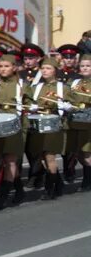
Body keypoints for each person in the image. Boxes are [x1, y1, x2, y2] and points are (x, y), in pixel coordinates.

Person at [27, 56, 73, 200]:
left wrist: (67, 106)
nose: (45, 71)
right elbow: (29, 101)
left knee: (50, 156)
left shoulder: (62, 87)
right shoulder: (36, 87)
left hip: (54, 124)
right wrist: (31, 106)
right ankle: (58, 184)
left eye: (48, 68)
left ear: (55, 71)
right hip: (39, 124)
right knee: (41, 156)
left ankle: (49, 189)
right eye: (43, 68)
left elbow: (72, 103)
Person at [0, 54, 31, 209]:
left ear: (14, 68)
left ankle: (4, 195)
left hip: (16, 124)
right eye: (0, 66)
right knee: (6, 161)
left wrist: (30, 106)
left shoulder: (22, 85)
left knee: (10, 160)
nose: (3, 69)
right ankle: (19, 190)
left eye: (6, 66)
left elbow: (30, 102)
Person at [68, 54, 91, 191]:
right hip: (76, 120)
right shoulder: (75, 82)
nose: (85, 68)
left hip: (89, 122)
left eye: (88, 66)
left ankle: (87, 181)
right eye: (82, 66)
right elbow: (70, 97)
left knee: (87, 153)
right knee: (79, 154)